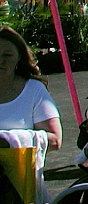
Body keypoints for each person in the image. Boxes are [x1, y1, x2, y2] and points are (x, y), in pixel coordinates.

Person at [0, 26, 61, 159]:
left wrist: (9, 141)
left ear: (19, 57)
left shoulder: (33, 90)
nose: (0, 61)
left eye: (7, 55)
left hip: (18, 177)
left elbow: (55, 140)